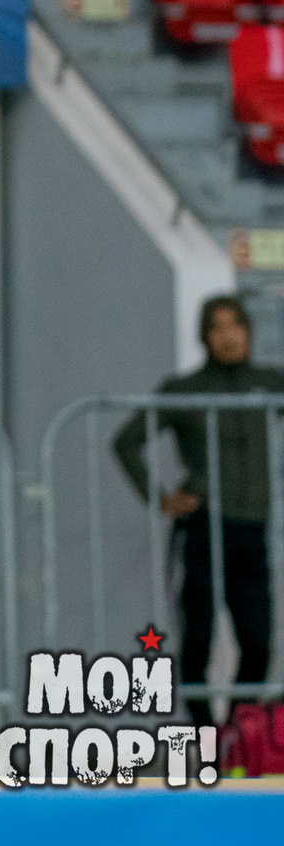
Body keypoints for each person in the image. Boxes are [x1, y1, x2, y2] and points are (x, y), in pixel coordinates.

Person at [114, 295, 284, 726]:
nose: (228, 336)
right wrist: (159, 498)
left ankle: (234, 736)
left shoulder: (269, 381)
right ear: (204, 336)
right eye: (217, 327)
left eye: (236, 325)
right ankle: (207, 737)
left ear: (249, 330)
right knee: (198, 643)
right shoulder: (184, 389)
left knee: (259, 643)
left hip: (252, 527)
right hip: (204, 528)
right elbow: (126, 440)